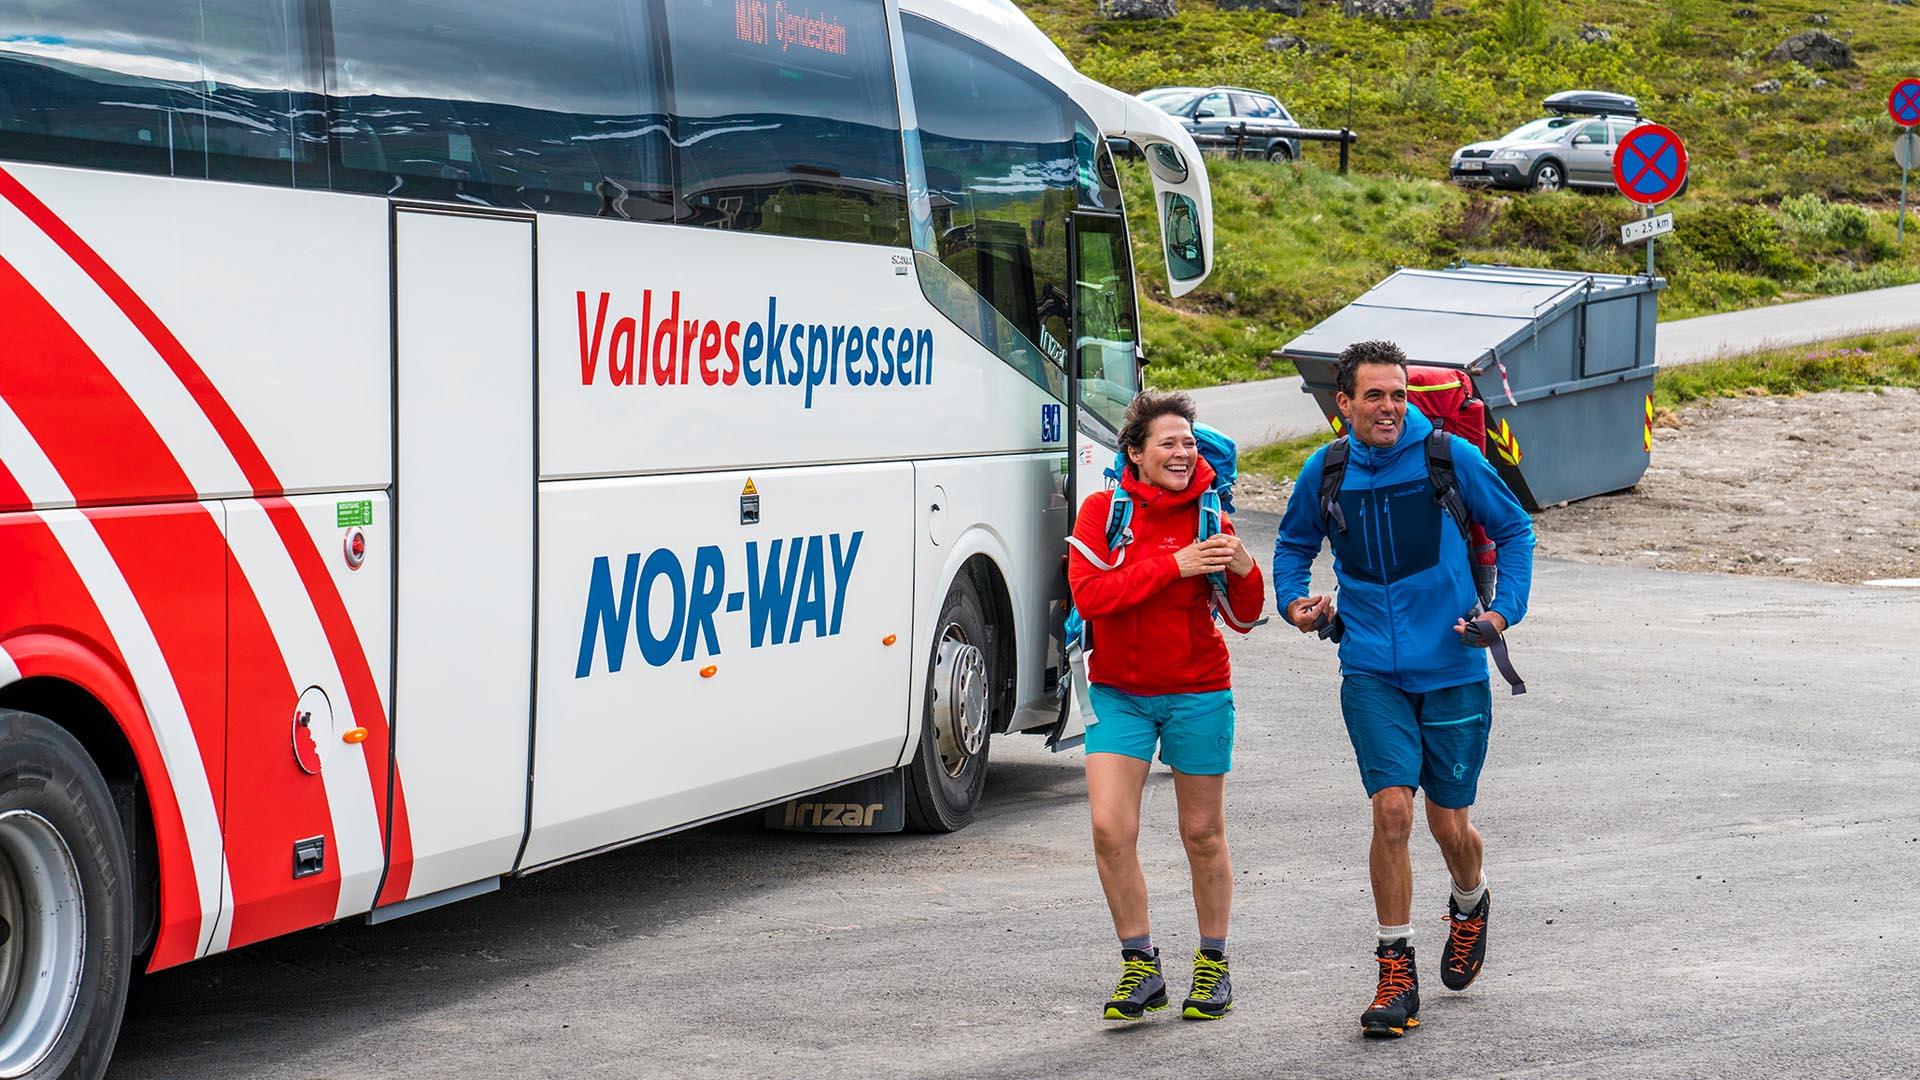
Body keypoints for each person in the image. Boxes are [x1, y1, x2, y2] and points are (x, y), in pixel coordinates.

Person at [1271, 340, 1535, 1038]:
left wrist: (1502, 613)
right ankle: (1395, 967)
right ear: (1345, 404)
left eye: (1399, 395)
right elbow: (1294, 545)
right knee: (1392, 813)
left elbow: (1514, 529)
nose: (1390, 408)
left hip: (1452, 666)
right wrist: (1295, 602)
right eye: (1376, 396)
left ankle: (1470, 902)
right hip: (1369, 671)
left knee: (1450, 826)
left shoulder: (1448, 458)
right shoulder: (1326, 470)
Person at [1066, 390, 1265, 1022]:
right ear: (1136, 452)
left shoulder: (1213, 520)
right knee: (1108, 828)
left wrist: (1243, 566)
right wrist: (1172, 565)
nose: (1182, 452)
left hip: (1198, 691)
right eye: (1167, 442)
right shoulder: (1103, 512)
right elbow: (1092, 597)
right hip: (1119, 694)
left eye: (1188, 442)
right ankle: (1140, 966)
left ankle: (1213, 964)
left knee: (1202, 834)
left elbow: (1245, 616)